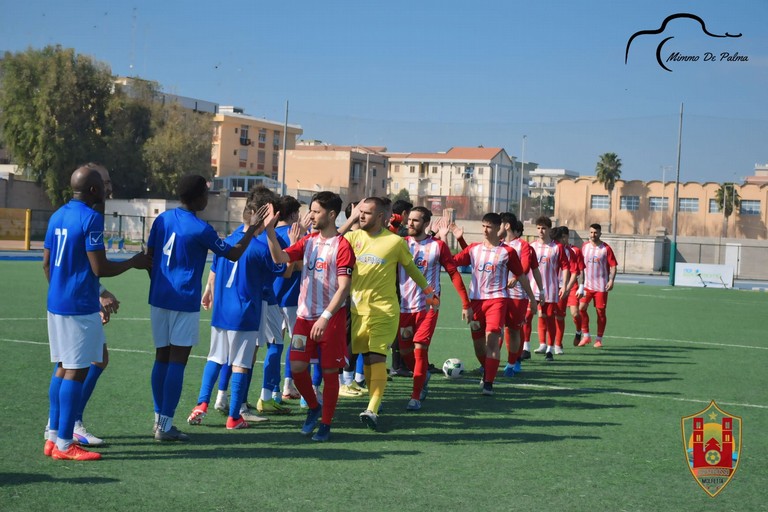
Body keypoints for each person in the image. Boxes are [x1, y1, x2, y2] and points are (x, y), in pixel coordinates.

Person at [43, 164, 150, 460]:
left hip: (57, 303)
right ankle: (65, 443)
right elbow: (100, 267)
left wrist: (61, 292)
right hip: (78, 306)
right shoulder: (90, 218)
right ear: (93, 190)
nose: (107, 190)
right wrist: (133, 262)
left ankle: (52, 437)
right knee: (76, 371)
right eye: (103, 186)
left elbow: (46, 263)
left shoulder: (57, 215)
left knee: (63, 367)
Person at [146, 174, 263, 441]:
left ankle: (158, 420)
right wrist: (250, 229)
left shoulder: (162, 219)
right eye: (206, 195)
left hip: (159, 298)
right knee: (177, 361)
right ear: (199, 197)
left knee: (161, 357)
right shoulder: (201, 228)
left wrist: (158, 283)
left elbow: (149, 257)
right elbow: (232, 253)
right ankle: (164, 427)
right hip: (184, 300)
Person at [265, 191, 355, 441]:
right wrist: (271, 232)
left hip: (331, 320)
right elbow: (281, 258)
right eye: (311, 210)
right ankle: (314, 407)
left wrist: (326, 317)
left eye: (316, 211)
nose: (311, 216)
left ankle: (326, 423)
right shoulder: (308, 241)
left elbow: (344, 287)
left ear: (332, 215)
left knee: (329, 372)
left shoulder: (343, 246)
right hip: (304, 319)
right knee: (296, 367)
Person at [187, 201, 284, 429]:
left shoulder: (226, 242)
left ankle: (202, 403)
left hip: (221, 311)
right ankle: (234, 417)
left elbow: (213, 271)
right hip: (245, 313)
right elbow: (282, 268)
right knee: (240, 364)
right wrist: (271, 234)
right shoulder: (260, 248)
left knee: (215, 357)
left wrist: (209, 290)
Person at [341, 197, 437, 430]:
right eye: (360, 212)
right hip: (358, 310)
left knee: (377, 357)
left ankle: (372, 408)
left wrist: (428, 291)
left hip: (384, 310)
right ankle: (375, 399)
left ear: (382, 217)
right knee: (365, 357)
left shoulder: (394, 242)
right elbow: (331, 241)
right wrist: (351, 219)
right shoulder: (352, 238)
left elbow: (412, 268)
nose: (361, 216)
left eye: (367, 213)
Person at [453, 212, 536, 395]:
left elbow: (521, 276)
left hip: (497, 301)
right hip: (475, 302)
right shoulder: (474, 248)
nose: (485, 229)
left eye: (489, 226)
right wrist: (450, 238)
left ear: (498, 228)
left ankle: (489, 383)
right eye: (483, 226)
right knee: (478, 346)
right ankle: (488, 370)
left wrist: (532, 298)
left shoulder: (507, 252)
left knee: (492, 340)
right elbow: (452, 262)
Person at [398, 207, 471, 411]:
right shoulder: (400, 244)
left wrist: (465, 303)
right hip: (404, 306)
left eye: (415, 220)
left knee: (420, 349)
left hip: (429, 306)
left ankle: (415, 396)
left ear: (426, 223)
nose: (410, 223)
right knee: (405, 351)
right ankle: (423, 377)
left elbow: (454, 274)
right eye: (409, 219)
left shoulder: (438, 246)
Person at [499, 214, 543, 376]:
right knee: (496, 329)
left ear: (507, 226)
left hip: (518, 295)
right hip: (499, 294)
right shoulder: (497, 245)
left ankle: (515, 360)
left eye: (500, 224)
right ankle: (490, 363)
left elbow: (527, 267)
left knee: (514, 329)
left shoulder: (524, 246)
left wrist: (517, 278)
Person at [529, 216, 570, 361]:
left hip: (550, 289)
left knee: (549, 318)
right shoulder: (531, 246)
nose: (541, 231)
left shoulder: (557, 247)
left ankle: (550, 349)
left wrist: (564, 285)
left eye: (544, 228)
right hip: (532, 288)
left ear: (549, 229)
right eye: (539, 228)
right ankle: (525, 348)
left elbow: (565, 266)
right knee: (527, 317)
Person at [576, 223, 618, 348]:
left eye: (595, 233)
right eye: (591, 232)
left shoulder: (606, 248)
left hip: (601, 286)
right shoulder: (584, 247)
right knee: (581, 308)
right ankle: (586, 336)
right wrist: (580, 283)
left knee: (600, 312)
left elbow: (613, 266)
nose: (593, 235)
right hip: (587, 285)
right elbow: (580, 265)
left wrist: (611, 280)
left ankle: (598, 339)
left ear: (600, 233)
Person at [551, 227, 584, 348]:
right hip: (556, 286)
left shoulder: (574, 251)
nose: (563, 239)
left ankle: (578, 331)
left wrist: (581, 286)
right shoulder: (553, 249)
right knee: (552, 315)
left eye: (565, 236)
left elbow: (579, 270)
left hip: (571, 285)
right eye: (561, 237)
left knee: (575, 313)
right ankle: (553, 344)